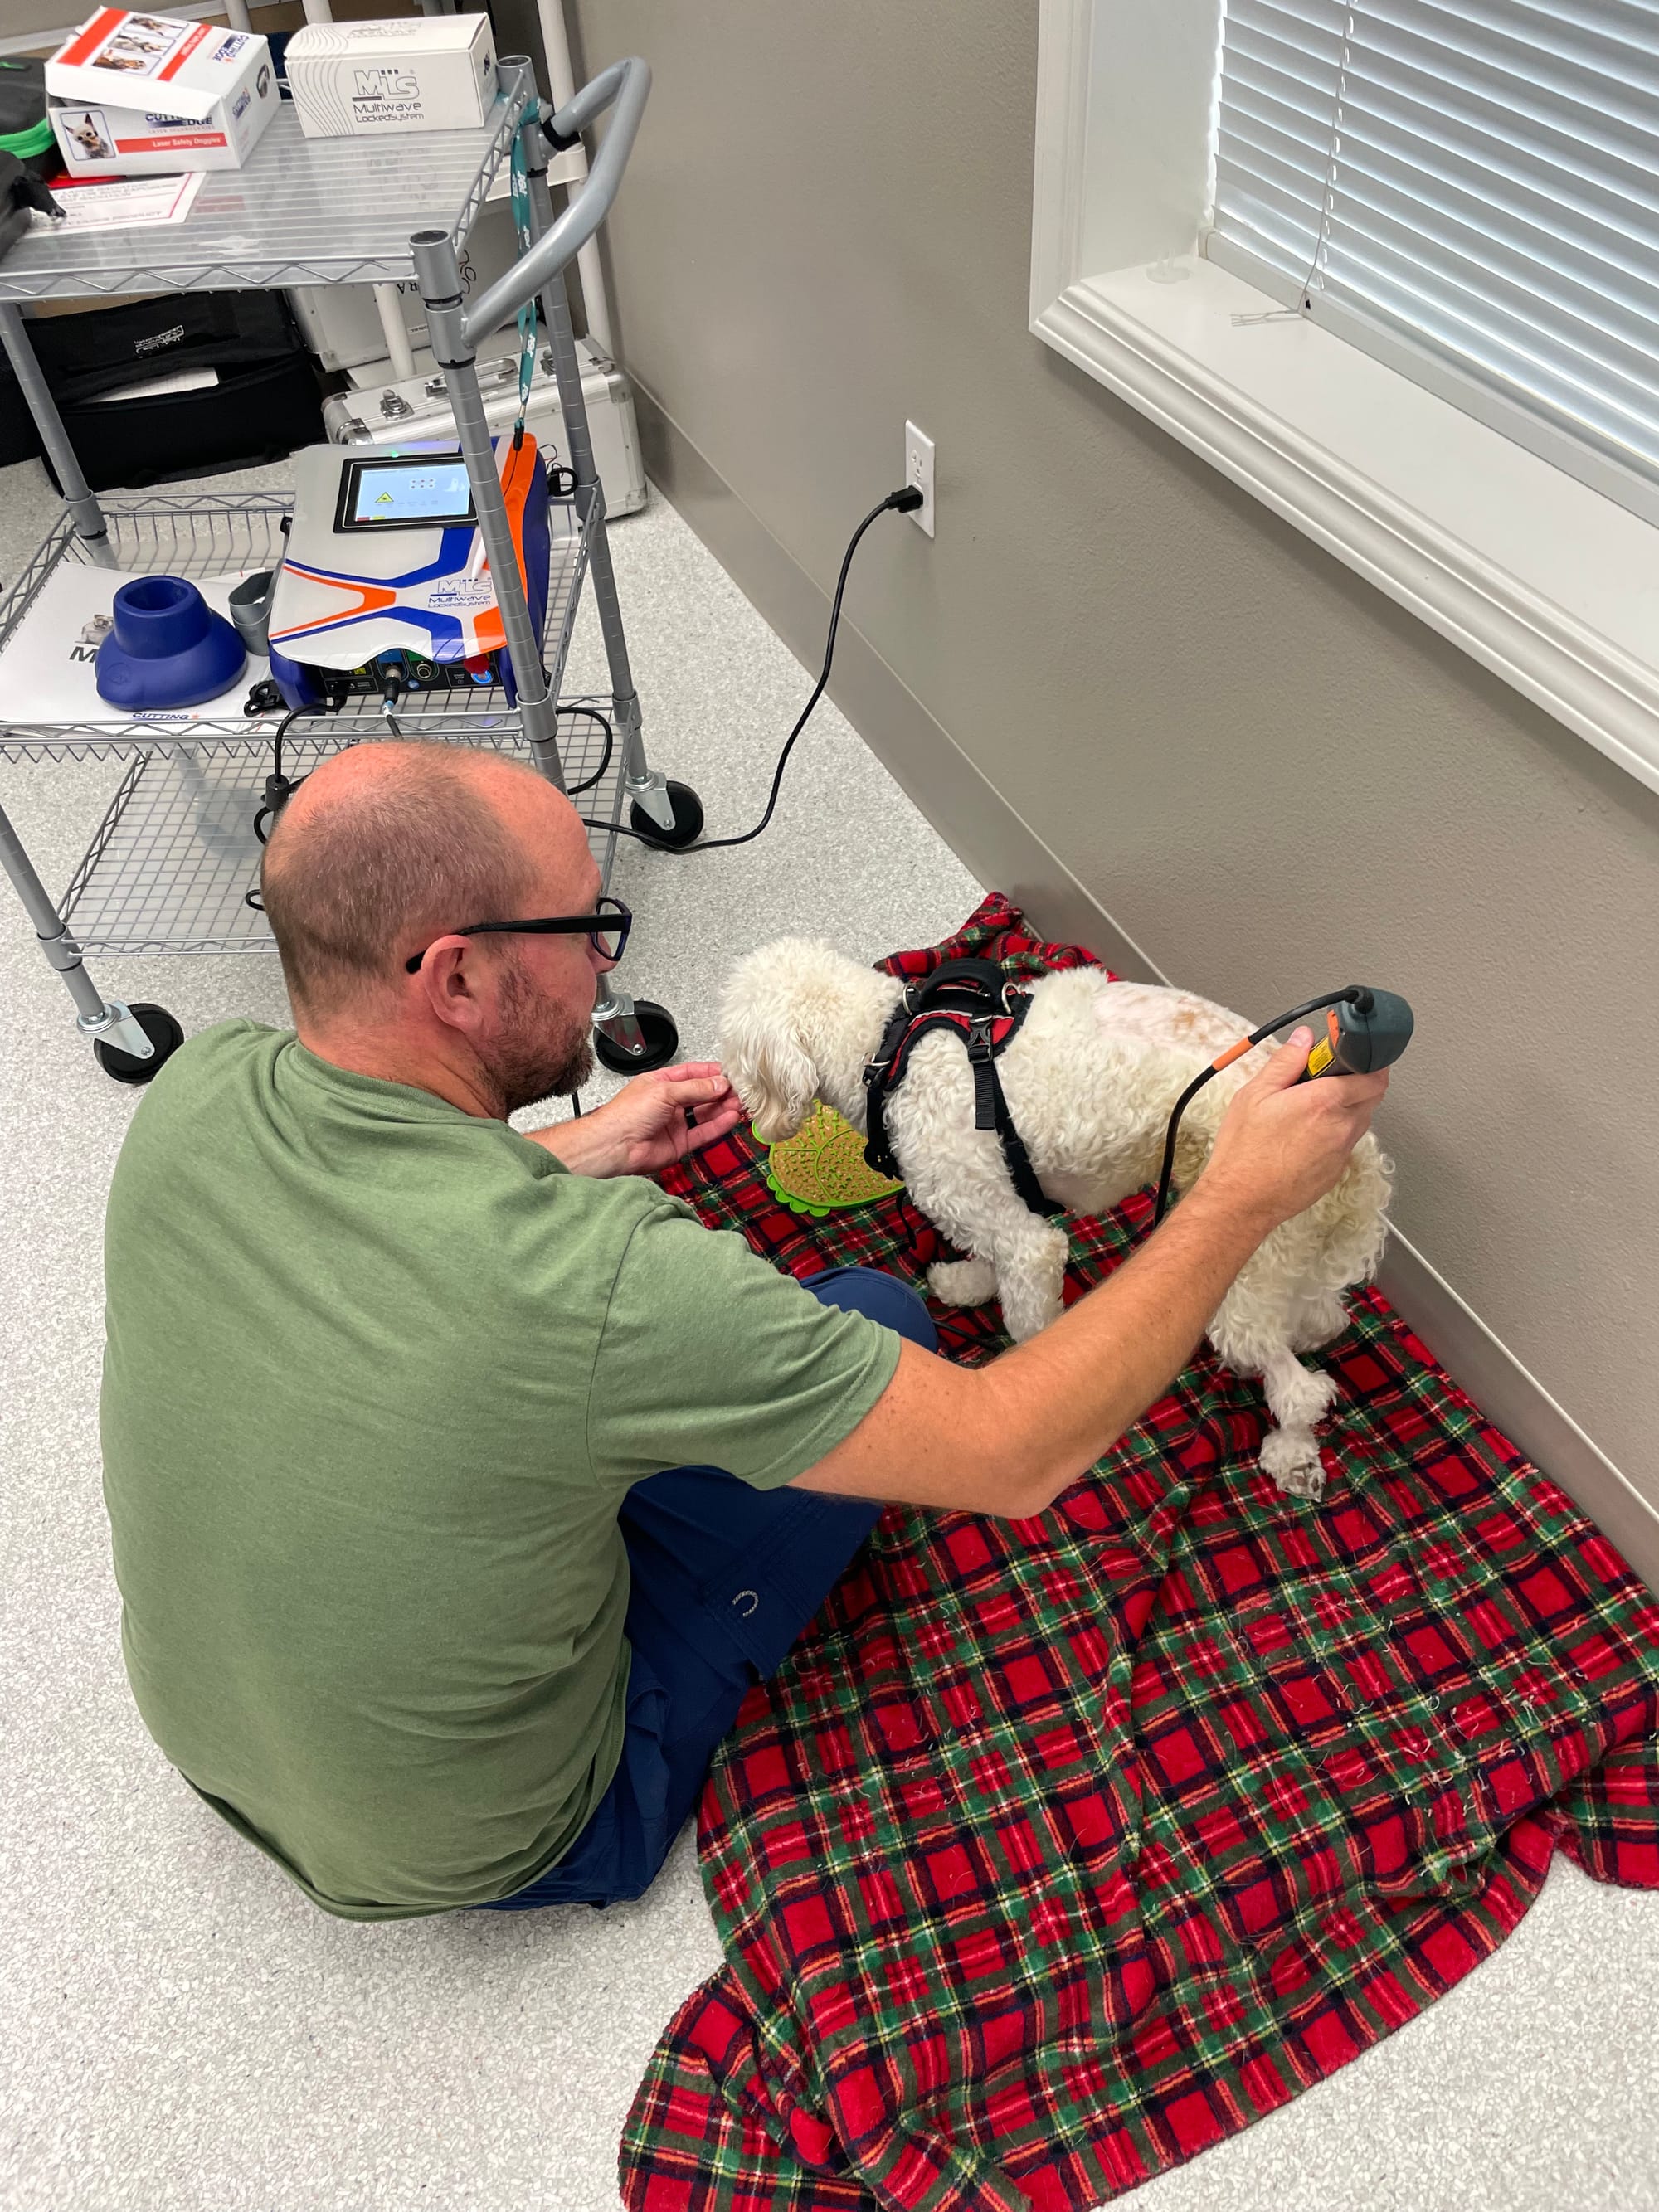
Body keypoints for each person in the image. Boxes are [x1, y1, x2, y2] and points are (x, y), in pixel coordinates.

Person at [100, 745, 1389, 1919]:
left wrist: (575, 1151)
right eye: (585, 926)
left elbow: (394, 1228)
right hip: (508, 1841)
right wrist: (1233, 1196)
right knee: (886, 1314)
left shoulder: (195, 1093)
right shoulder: (609, 1286)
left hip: (212, 1749)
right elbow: (1014, 1452)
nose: (606, 961)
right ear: (458, 976)